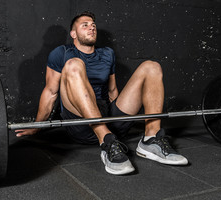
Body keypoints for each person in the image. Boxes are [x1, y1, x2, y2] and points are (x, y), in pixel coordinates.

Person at [15, 11, 188, 175]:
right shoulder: (62, 53)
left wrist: (120, 119)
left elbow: (112, 91)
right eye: (85, 25)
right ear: (73, 33)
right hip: (79, 121)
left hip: (106, 114)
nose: (91, 27)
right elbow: (51, 92)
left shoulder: (107, 53)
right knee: (74, 65)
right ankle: (106, 142)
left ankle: (150, 139)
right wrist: (37, 127)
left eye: (93, 25)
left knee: (152, 66)